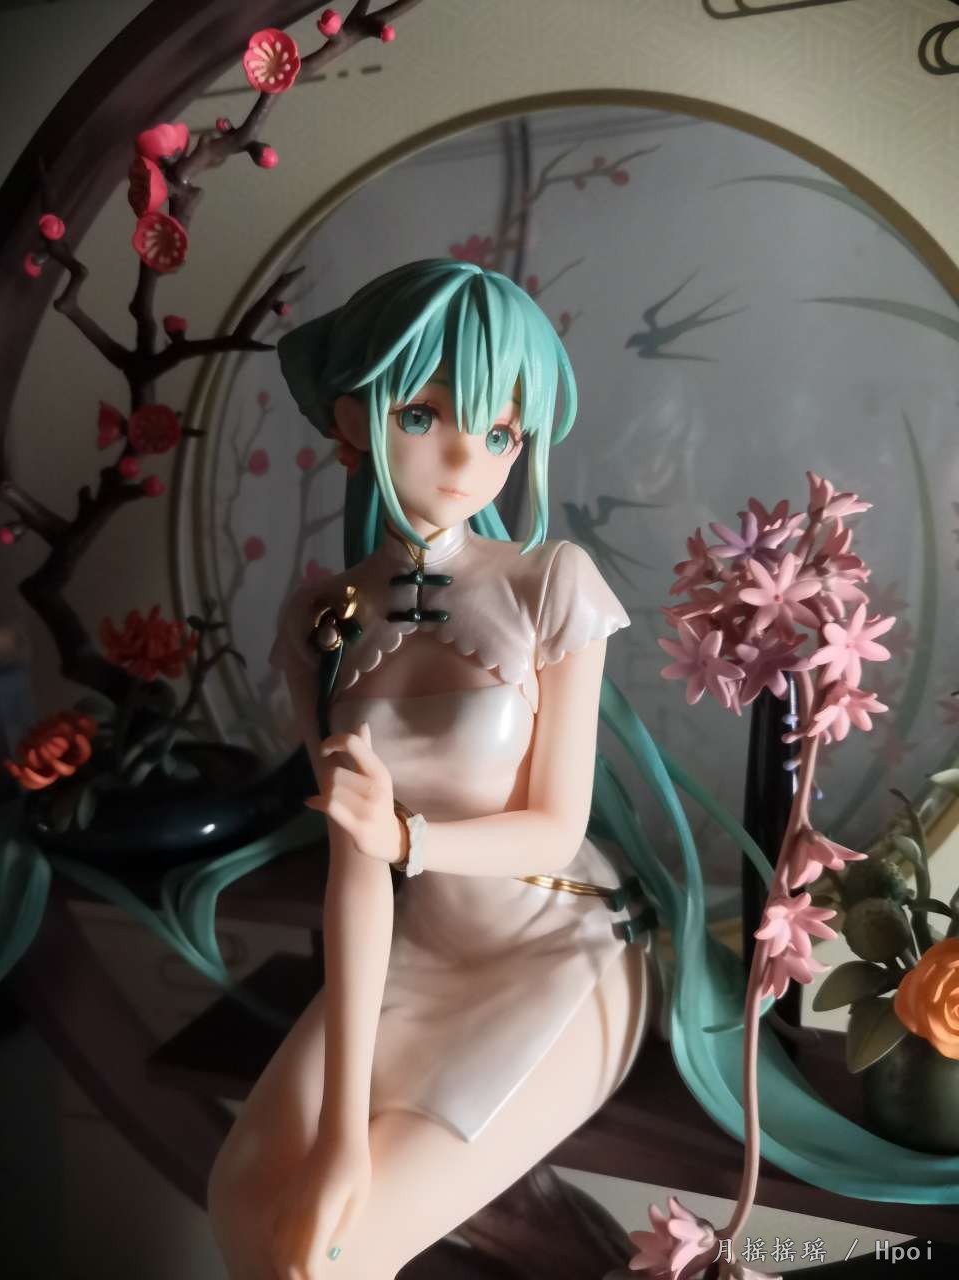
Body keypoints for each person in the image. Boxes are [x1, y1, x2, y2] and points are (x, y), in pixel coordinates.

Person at [207, 260, 959, 1280]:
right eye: (425, 415)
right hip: (416, 950)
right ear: (351, 417)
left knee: (330, 1257)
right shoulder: (321, 616)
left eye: (502, 433)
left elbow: (555, 825)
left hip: (564, 950)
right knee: (242, 1204)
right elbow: (357, 866)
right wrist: (341, 1128)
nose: (468, 456)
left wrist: (408, 836)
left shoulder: (548, 583)